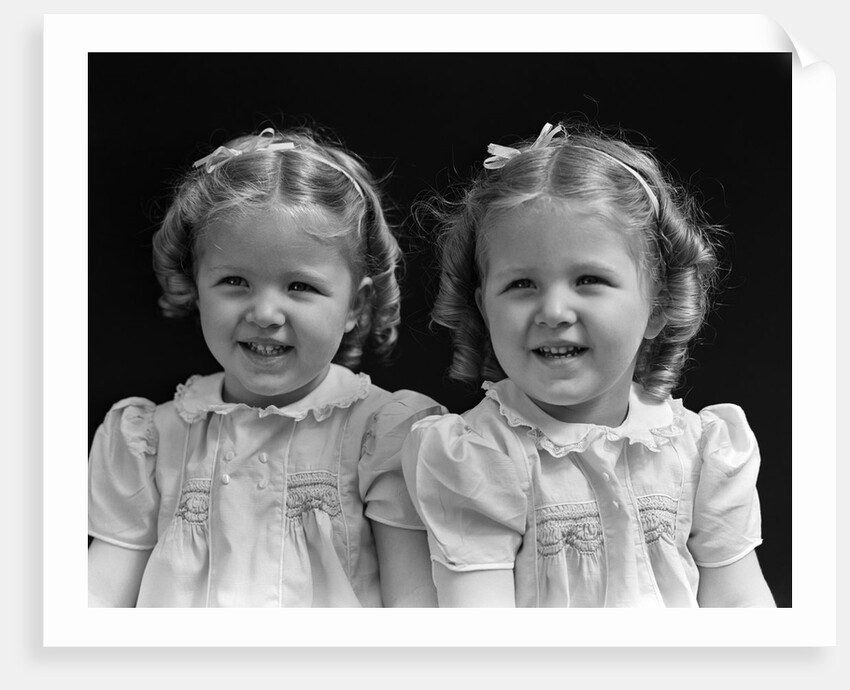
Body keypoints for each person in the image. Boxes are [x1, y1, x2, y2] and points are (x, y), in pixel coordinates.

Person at [402, 121, 776, 608]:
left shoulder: (702, 451)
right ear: (484, 309)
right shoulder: (480, 456)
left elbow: (741, 607)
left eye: (588, 280)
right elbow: (482, 630)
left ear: (658, 305)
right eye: (521, 285)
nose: (554, 311)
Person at [88, 125, 442, 607]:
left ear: (356, 305)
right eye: (235, 281)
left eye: (300, 286)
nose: (265, 314)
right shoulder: (151, 442)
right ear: (197, 288)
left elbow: (413, 603)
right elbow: (98, 596)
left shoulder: (381, 436)